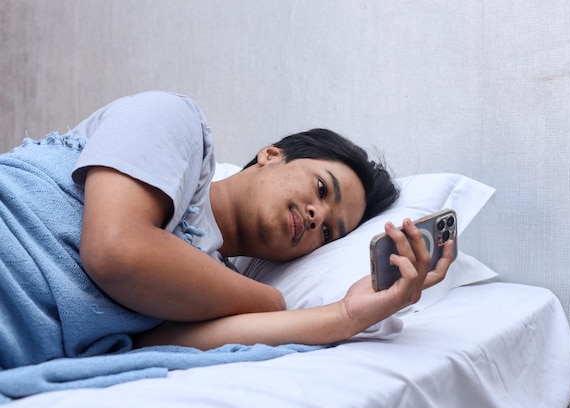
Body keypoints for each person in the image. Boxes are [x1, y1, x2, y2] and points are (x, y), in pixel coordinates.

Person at [0, 91, 453, 369]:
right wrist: (270, 301)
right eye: (321, 187)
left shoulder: (211, 287)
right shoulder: (175, 122)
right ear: (272, 154)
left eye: (330, 233)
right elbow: (116, 250)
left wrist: (349, 315)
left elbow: (149, 347)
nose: (317, 218)